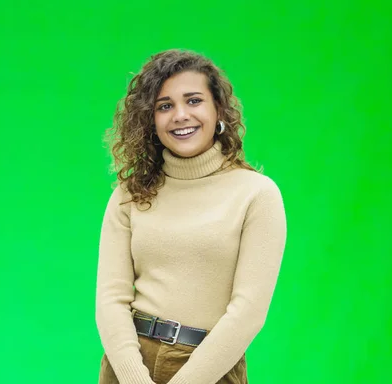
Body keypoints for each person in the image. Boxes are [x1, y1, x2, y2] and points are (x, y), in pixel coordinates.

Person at [95, 49, 287, 384]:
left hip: (208, 369)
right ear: (150, 121)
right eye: (164, 106)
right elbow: (110, 299)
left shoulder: (256, 194)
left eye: (194, 100)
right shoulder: (129, 193)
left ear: (218, 110)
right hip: (128, 366)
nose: (180, 115)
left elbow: (248, 313)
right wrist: (133, 378)